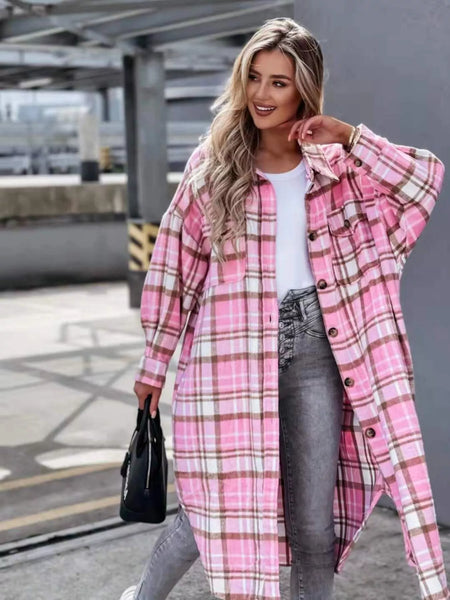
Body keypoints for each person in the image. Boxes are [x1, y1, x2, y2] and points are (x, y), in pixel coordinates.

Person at [120, 16, 448, 600]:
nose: (262, 94)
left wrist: (351, 136)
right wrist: (154, 362)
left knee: (314, 527)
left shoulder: (338, 168)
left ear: (304, 88)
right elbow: (174, 265)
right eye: (255, 77)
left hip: (317, 354)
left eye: (279, 82)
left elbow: (423, 182)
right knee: (208, 516)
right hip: (228, 358)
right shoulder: (213, 166)